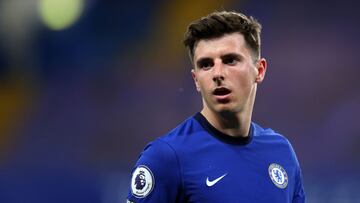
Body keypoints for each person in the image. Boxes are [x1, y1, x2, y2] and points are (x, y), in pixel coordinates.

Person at [127, 10, 305, 203]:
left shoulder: (281, 152)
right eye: (206, 64)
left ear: (259, 70)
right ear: (196, 80)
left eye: (230, 60)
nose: (217, 73)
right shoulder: (167, 157)